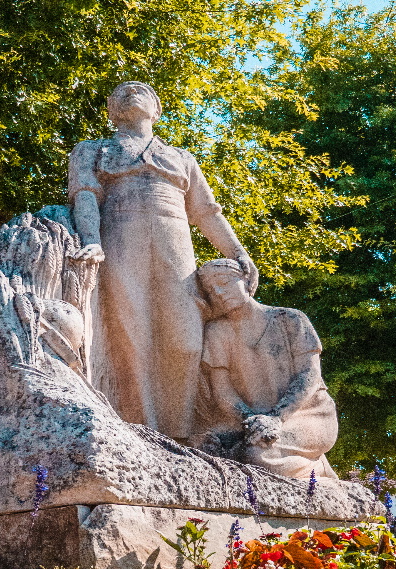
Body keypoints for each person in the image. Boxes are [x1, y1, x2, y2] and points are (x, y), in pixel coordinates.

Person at [67, 82, 256, 444]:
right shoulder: (92, 149)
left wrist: (238, 252)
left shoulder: (181, 157)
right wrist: (92, 240)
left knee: (185, 339)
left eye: (141, 90)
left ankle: (180, 434)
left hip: (176, 247)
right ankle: (140, 431)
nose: (131, 92)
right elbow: (85, 196)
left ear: (156, 110)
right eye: (121, 92)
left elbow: (206, 212)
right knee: (130, 334)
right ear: (111, 111)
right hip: (120, 238)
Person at [194, 259, 339, 480]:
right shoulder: (217, 332)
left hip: (308, 416)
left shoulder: (291, 320)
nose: (219, 293)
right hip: (249, 422)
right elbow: (222, 391)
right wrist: (251, 421)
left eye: (224, 283)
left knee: (257, 457)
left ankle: (318, 471)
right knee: (208, 451)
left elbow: (308, 376)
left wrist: (276, 418)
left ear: (246, 281)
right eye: (211, 290)